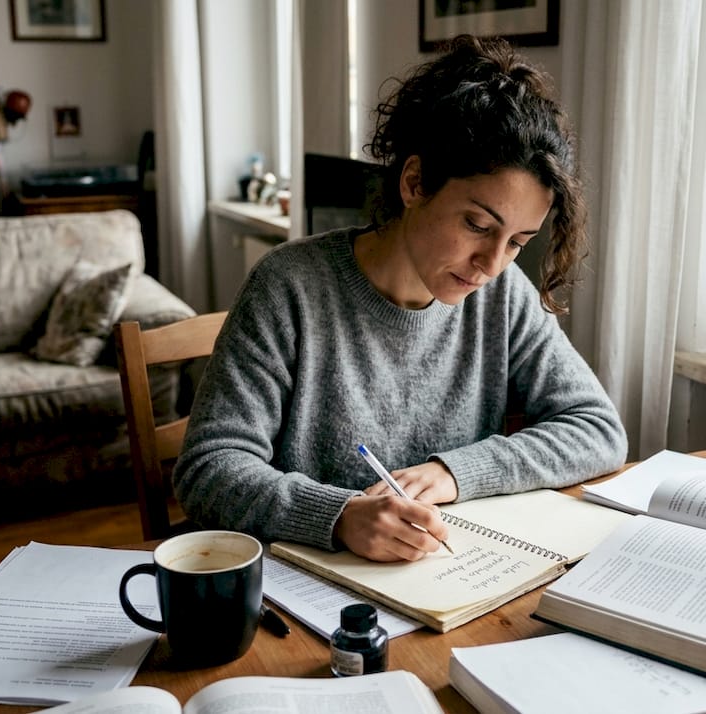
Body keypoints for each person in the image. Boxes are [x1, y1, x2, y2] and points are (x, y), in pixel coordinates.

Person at [172, 35, 627, 563]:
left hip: (440, 578)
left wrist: (455, 472)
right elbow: (208, 468)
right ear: (414, 183)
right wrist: (338, 515)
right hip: (306, 588)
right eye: (477, 225)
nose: (492, 264)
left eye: (517, 243)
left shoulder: (503, 294)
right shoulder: (289, 286)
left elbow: (597, 429)